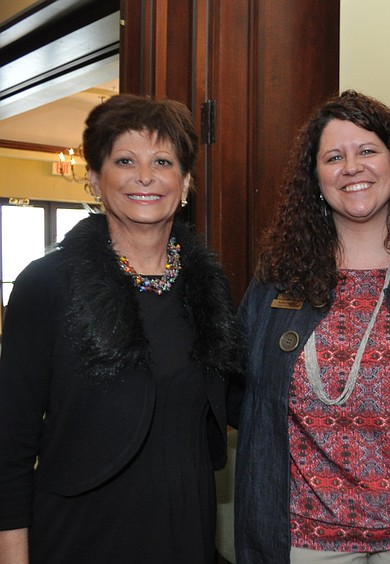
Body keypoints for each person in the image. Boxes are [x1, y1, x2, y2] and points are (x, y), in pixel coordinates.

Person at [0, 94, 245, 563]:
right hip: (81, 537)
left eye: (163, 161)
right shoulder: (47, 284)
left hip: (185, 533)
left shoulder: (209, 292)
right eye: (125, 160)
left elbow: (247, 401)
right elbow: (9, 448)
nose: (146, 176)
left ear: (186, 182)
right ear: (95, 178)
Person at [235, 90, 390, 564]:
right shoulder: (275, 283)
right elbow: (239, 393)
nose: (352, 167)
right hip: (303, 540)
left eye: (367, 150)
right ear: (316, 178)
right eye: (333, 157)